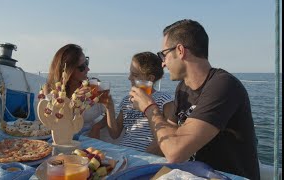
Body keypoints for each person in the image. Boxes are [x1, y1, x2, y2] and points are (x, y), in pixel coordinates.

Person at [129, 19, 260, 179]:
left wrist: (150, 108)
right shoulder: (182, 88)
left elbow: (175, 153)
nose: (163, 63)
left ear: (180, 51)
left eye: (164, 54)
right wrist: (134, 160)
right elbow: (170, 137)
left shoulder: (223, 86)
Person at [101, 51, 174, 155]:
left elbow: (169, 134)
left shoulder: (164, 100)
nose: (129, 78)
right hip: (123, 153)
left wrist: (144, 155)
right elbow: (114, 134)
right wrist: (109, 108)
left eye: (134, 75)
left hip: (146, 156)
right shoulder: (127, 100)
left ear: (150, 79)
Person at [46, 44, 109, 139]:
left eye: (87, 63)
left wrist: (97, 127)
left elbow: (109, 113)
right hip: (62, 136)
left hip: (88, 137)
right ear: (68, 70)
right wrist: (72, 103)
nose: (88, 69)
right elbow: (54, 121)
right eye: (82, 67)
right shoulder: (53, 91)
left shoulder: (94, 86)